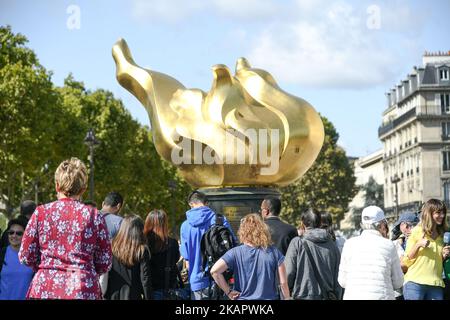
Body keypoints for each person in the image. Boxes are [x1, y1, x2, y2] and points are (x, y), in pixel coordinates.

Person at [19, 157, 112, 299]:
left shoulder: (41, 213)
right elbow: (104, 261)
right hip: (82, 290)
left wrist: (46, 265)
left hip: (45, 288)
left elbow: (26, 255)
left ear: (57, 185)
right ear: (83, 189)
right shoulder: (94, 216)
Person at [210, 213, 290, 300]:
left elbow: (215, 271)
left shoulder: (235, 253)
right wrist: (287, 298)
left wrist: (228, 292)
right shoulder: (274, 252)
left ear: (243, 232)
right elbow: (283, 283)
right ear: (263, 230)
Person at [338, 205, 404, 300]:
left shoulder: (349, 244)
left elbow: (342, 281)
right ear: (381, 225)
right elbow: (398, 282)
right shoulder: (389, 245)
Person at [180, 191, 234, 300]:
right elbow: (232, 247)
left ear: (191, 204)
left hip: (197, 282)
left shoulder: (185, 226)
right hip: (221, 280)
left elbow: (187, 258)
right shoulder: (220, 220)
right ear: (206, 203)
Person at [286, 209, 342, 300]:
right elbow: (337, 276)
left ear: (303, 223)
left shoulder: (297, 243)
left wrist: (286, 293)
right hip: (326, 296)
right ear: (320, 223)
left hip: (302, 295)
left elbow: (288, 273)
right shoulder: (332, 244)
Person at [402, 199, 450, 300]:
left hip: (436, 284)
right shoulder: (417, 231)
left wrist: (443, 256)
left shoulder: (443, 235)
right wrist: (418, 244)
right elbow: (406, 260)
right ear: (429, 214)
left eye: (443, 213)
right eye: (438, 212)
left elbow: (435, 261)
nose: (442, 215)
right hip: (415, 283)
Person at [104, 215, 152, 300]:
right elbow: (145, 278)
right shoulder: (142, 250)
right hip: (133, 295)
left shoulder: (111, 246)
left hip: (112, 294)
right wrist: (147, 296)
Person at [144, 209, 184, 300]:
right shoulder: (173, 243)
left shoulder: (144, 244)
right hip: (169, 289)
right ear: (164, 224)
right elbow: (176, 260)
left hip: (150, 290)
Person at [0, 218, 34, 300]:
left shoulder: (32, 256)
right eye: (11, 232)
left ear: (25, 235)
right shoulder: (2, 254)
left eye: (18, 233)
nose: (14, 236)